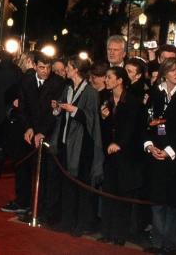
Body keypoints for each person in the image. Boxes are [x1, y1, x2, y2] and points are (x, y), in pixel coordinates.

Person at [143, 58, 176, 255]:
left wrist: (169, 151)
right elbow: (146, 123)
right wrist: (149, 146)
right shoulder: (154, 94)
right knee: (157, 202)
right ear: (164, 73)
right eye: (173, 70)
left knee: (173, 204)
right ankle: (157, 242)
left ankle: (170, 245)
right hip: (155, 155)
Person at [3, 53, 63, 217]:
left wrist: (42, 131)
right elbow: (22, 107)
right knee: (24, 168)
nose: (46, 71)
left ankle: (39, 207)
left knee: (43, 173)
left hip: (46, 135)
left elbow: (54, 113)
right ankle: (24, 201)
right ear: (35, 66)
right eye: (42, 67)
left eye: (48, 67)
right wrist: (28, 128)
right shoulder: (26, 81)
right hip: (27, 132)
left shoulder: (57, 83)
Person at [50, 56, 103, 236]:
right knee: (67, 184)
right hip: (66, 142)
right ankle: (66, 221)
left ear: (76, 69)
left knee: (81, 187)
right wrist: (57, 107)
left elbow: (92, 120)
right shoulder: (68, 88)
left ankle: (81, 224)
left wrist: (75, 111)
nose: (65, 70)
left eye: (68, 67)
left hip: (83, 147)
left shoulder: (90, 92)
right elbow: (60, 114)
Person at [98, 66, 143, 246]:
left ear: (119, 80)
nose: (106, 80)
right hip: (110, 156)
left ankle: (119, 234)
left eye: (109, 77)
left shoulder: (132, 102)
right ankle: (107, 232)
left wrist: (120, 144)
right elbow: (105, 131)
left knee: (122, 197)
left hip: (127, 157)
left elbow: (133, 130)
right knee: (108, 193)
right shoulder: (107, 101)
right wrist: (104, 118)